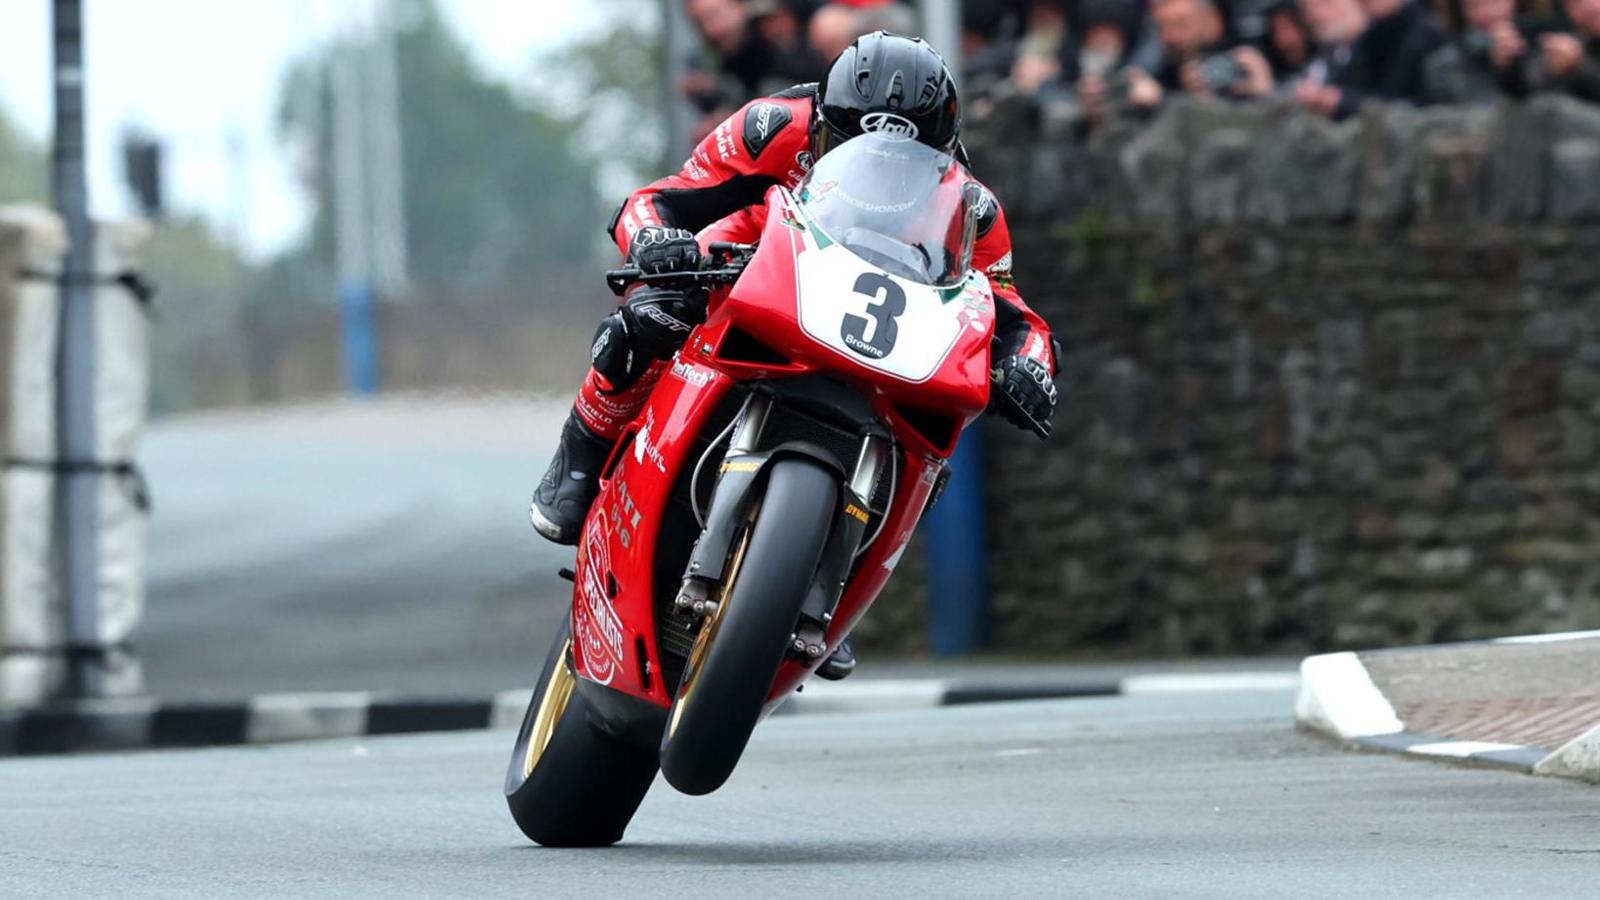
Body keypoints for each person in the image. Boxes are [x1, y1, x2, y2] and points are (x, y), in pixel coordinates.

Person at [530, 33, 1062, 679]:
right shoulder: (771, 125)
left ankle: (828, 580)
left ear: (944, 154)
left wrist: (1030, 363)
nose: (884, 169)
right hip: (765, 246)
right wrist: (659, 242)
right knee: (654, 307)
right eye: (859, 149)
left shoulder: (975, 209)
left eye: (907, 158)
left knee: (934, 450)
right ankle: (581, 455)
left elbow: (1014, 313)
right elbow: (660, 198)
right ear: (824, 132)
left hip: (889, 316)